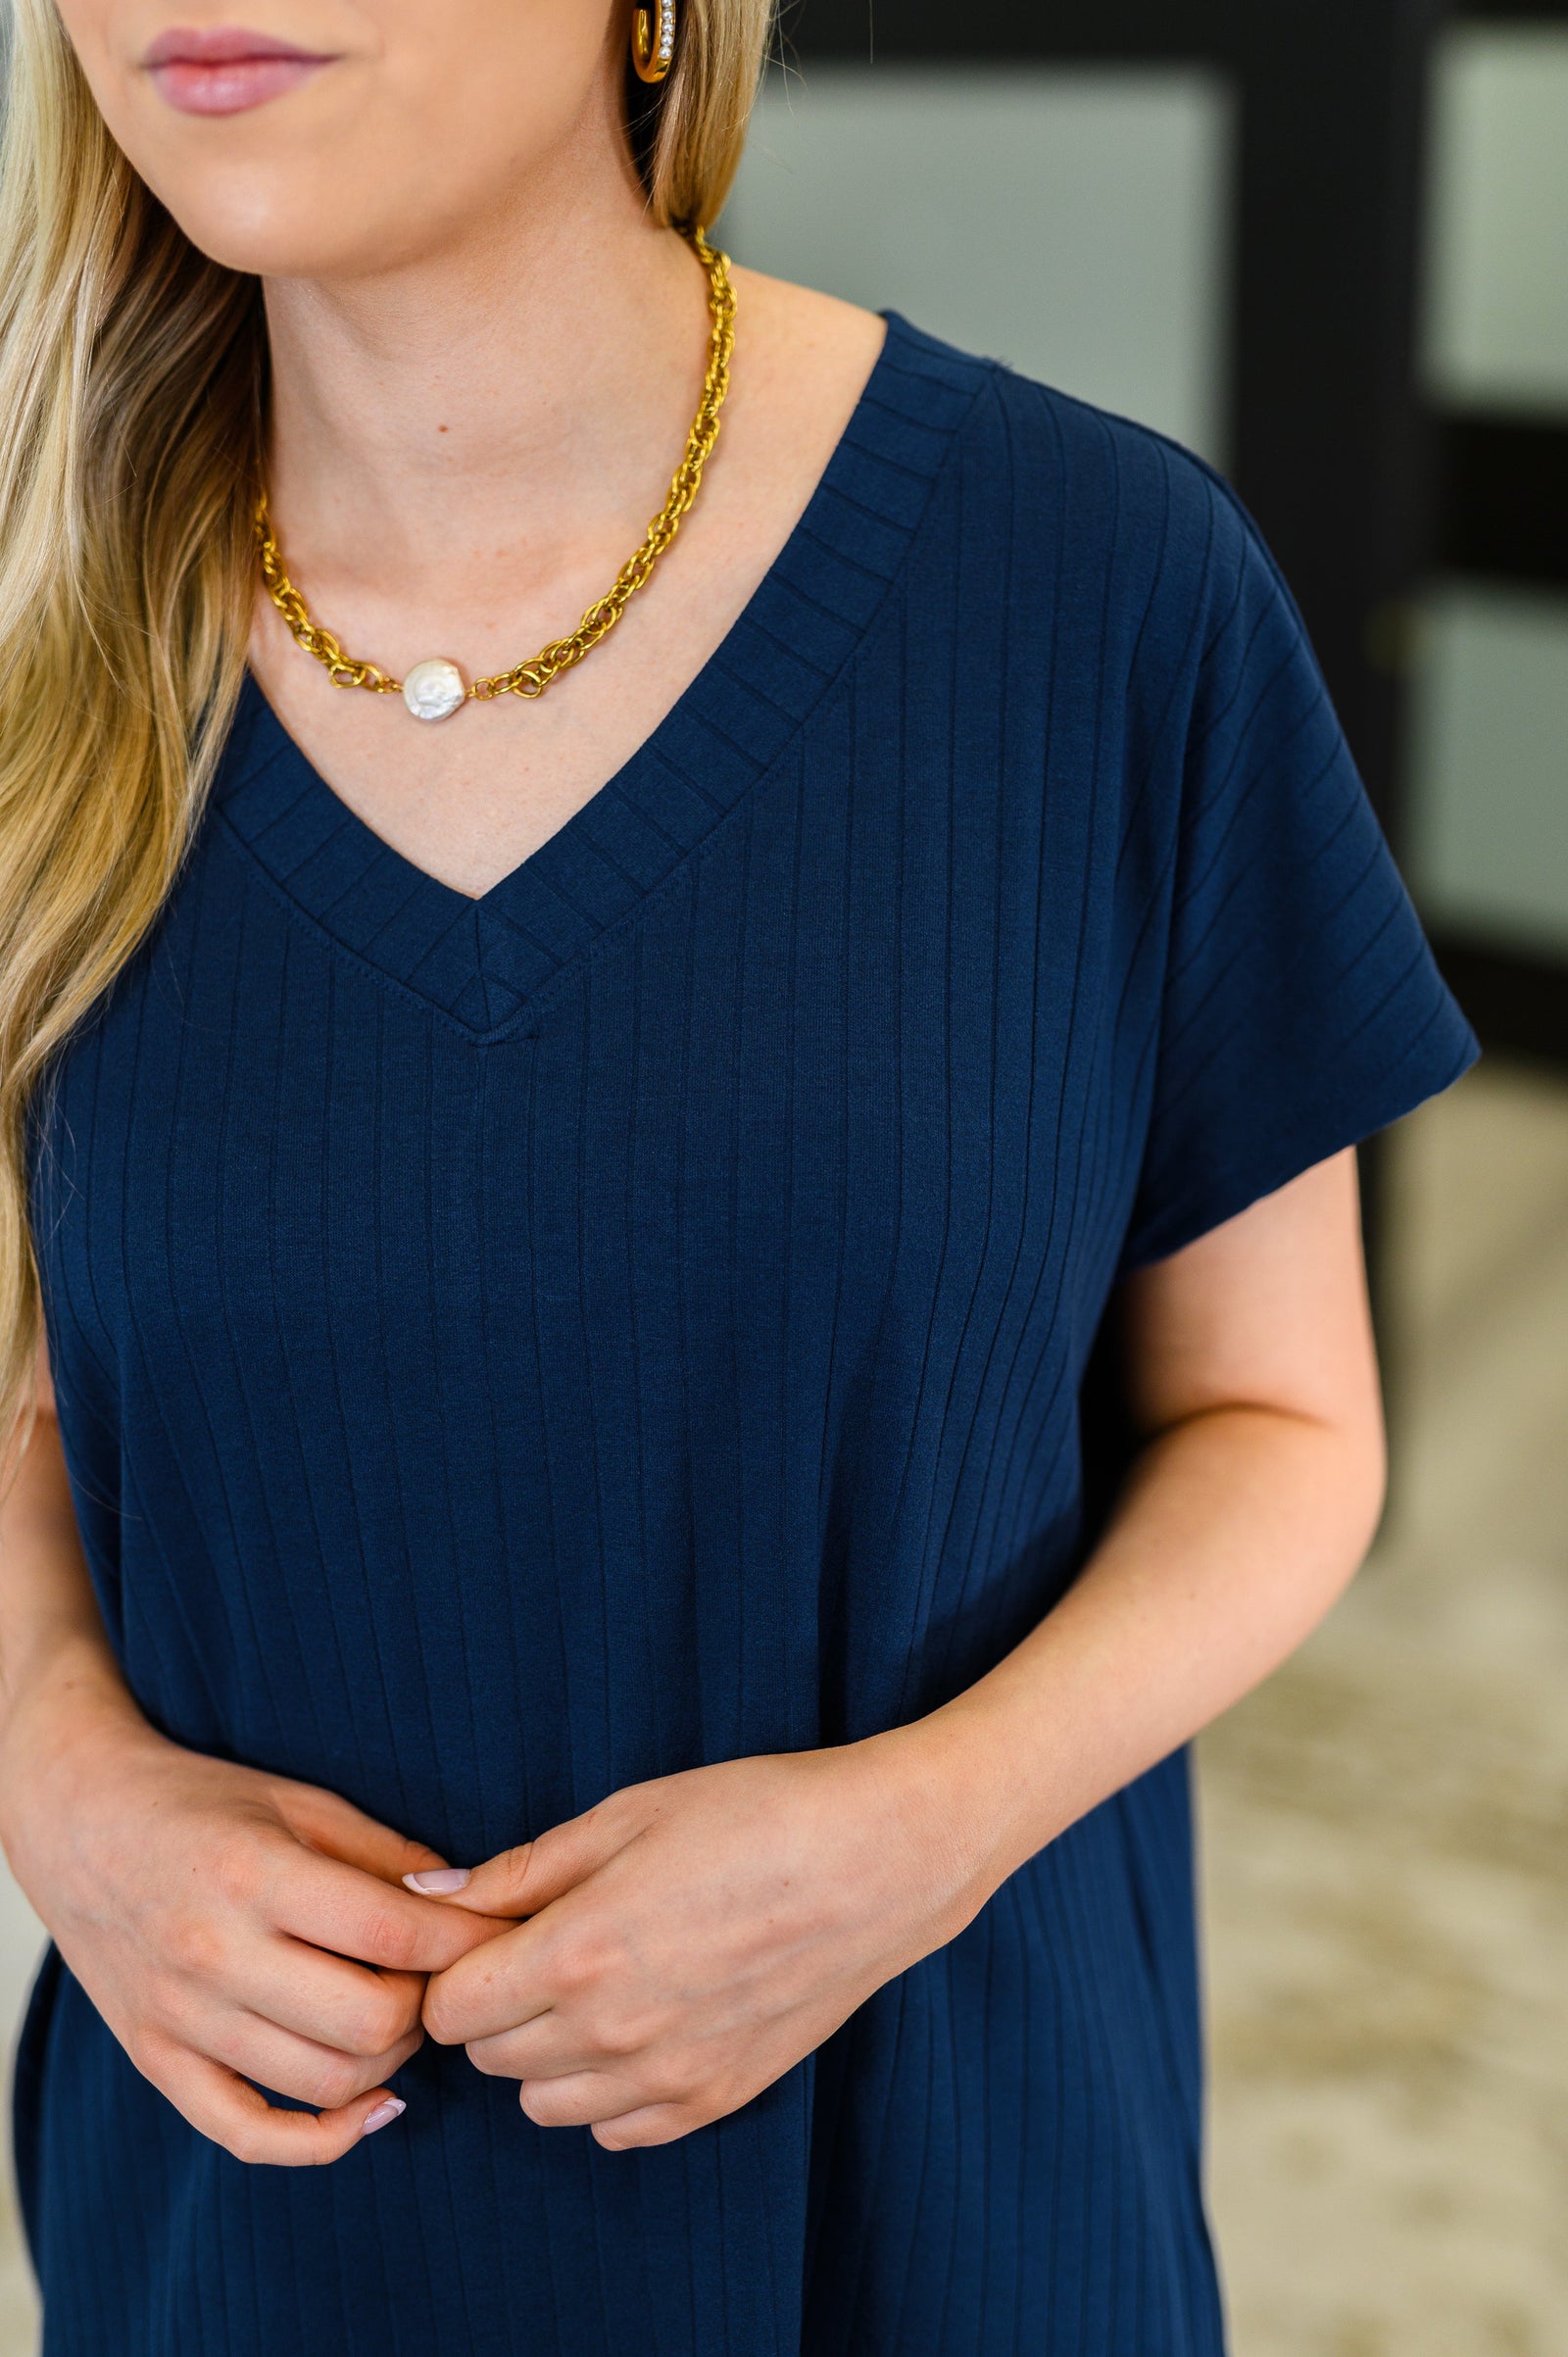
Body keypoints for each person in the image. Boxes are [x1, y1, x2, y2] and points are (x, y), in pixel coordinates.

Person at [0, 0, 1477, 2350]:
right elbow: (41, 1415)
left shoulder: (1105, 596)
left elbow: (1278, 1428)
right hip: (254, 2244)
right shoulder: (39, 650)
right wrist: (55, 1777)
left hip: (944, 2205)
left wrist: (915, 1833)